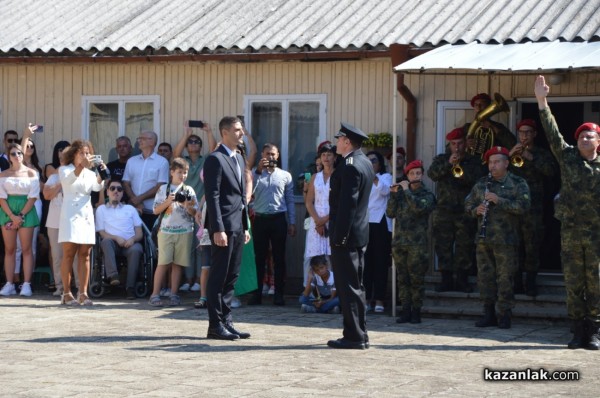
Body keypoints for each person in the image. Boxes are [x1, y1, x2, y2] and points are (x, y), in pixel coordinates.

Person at [535, 75, 600, 350]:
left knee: (596, 283)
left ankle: (595, 331)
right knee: (573, 282)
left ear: (598, 141)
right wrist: (541, 100)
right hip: (572, 233)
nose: (585, 138)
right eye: (582, 135)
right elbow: (552, 133)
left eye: (590, 135)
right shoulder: (568, 156)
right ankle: (576, 330)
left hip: (597, 234)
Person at [465, 146, 530, 329]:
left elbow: (524, 206)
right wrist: (475, 210)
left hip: (506, 240)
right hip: (484, 241)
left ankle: (505, 315)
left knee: (505, 278)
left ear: (506, 163)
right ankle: (488, 313)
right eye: (491, 162)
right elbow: (467, 203)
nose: (493, 166)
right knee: (485, 278)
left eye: (497, 162)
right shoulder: (481, 184)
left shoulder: (518, 183)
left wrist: (499, 200)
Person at [327, 122, 374, 350]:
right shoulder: (363, 162)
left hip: (347, 236)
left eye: (339, 139)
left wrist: (340, 237)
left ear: (347, 141)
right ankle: (358, 332)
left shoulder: (350, 166)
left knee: (348, 287)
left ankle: (354, 335)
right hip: (358, 234)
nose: (336, 143)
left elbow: (348, 206)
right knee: (356, 286)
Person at [204, 116, 251, 340]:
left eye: (241, 129)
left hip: (237, 226)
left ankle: (226, 320)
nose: (241, 133)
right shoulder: (215, 158)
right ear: (224, 133)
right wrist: (217, 229)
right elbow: (212, 196)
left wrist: (245, 226)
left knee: (232, 276)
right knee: (218, 276)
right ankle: (215, 325)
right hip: (223, 226)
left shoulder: (238, 158)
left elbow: (241, 197)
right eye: (237, 130)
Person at [427, 127, 485, 292]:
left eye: (460, 143)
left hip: (465, 211)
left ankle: (462, 280)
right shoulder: (441, 159)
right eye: (453, 144)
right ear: (449, 145)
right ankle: (446, 280)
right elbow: (432, 174)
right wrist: (448, 164)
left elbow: (476, 180)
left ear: (465, 143)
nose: (457, 147)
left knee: (464, 246)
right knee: (443, 246)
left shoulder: (474, 161)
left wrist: (461, 169)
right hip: (444, 210)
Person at [508, 119, 558, 296]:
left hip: (533, 208)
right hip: (513, 208)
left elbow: (551, 171)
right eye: (522, 132)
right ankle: (516, 283)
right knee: (515, 245)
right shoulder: (512, 153)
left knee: (532, 245)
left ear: (534, 134)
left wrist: (531, 157)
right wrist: (508, 157)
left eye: (528, 132)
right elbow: (499, 175)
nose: (525, 136)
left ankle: (530, 282)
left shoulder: (542, 154)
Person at [58, 140, 107, 305]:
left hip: (86, 215)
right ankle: (66, 293)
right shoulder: (64, 169)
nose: (85, 156)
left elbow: (96, 188)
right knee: (69, 253)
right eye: (82, 153)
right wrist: (81, 167)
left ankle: (83, 293)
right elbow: (68, 182)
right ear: (73, 154)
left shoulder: (90, 173)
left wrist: (102, 174)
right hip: (70, 214)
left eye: (87, 153)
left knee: (85, 255)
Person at [387, 160, 436, 324]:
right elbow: (390, 213)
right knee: (403, 278)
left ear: (422, 175)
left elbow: (418, 208)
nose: (416, 176)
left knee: (416, 279)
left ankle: (416, 311)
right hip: (400, 243)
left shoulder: (427, 195)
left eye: (418, 173)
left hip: (417, 244)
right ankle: (405, 310)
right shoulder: (401, 194)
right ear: (407, 176)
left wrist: (406, 190)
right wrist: (394, 195)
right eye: (412, 173)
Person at [248, 143, 296, 306]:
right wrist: (258, 171)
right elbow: (249, 194)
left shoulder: (285, 175)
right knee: (259, 259)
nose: (270, 157)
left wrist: (292, 222)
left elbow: (289, 200)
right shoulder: (254, 174)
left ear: (278, 156)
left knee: (279, 258)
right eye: (268, 154)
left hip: (278, 219)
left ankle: (278, 294)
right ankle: (257, 294)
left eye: (274, 154)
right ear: (262, 154)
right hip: (260, 219)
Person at [172, 121, 217, 293]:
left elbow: (213, 151)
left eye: (196, 142)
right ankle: (188, 279)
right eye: (190, 142)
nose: (192, 144)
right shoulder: (182, 162)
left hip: (202, 208)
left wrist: (208, 131)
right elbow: (176, 155)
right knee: (187, 246)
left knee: (200, 245)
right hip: (183, 207)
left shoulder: (205, 160)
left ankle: (199, 279)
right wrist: (186, 134)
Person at [148, 157, 198, 307]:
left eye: (185, 172)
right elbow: (156, 211)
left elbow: (195, 213)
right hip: (166, 231)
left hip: (185, 231)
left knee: (178, 264)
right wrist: (168, 201)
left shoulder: (189, 190)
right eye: (179, 172)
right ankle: (155, 294)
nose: (182, 175)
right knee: (163, 263)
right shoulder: (163, 189)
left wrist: (186, 205)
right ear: (171, 172)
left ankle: (174, 294)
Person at [0, 138, 40, 297]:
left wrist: (20, 215)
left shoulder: (32, 173)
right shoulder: (3, 174)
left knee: (26, 249)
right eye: (13, 153)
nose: (16, 155)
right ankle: (9, 283)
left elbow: (33, 196)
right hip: (7, 210)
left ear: (23, 155)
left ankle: (26, 284)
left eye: (19, 153)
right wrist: (11, 216)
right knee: (9, 249)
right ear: (9, 156)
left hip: (26, 210)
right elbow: (1, 197)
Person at [95, 180, 144, 300]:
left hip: (130, 244)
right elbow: (101, 232)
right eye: (112, 188)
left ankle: (130, 288)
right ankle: (113, 276)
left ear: (122, 193)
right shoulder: (101, 209)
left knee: (137, 249)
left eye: (119, 189)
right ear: (107, 192)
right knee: (105, 242)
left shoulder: (130, 209)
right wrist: (116, 238)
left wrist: (132, 240)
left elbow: (139, 233)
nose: (116, 191)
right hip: (112, 243)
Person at [43, 145, 74, 297]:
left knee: (73, 255)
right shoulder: (53, 177)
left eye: (66, 159)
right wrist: (61, 182)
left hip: (72, 221)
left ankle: (78, 286)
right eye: (61, 159)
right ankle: (60, 286)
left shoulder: (77, 175)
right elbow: (47, 195)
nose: (63, 161)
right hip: (54, 221)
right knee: (57, 255)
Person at [363, 150, 392, 313]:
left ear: (379, 164)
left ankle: (380, 298)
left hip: (380, 222)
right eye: (367, 161)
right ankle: (366, 298)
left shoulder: (385, 177)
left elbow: (385, 191)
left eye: (373, 161)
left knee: (380, 262)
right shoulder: (361, 178)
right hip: (365, 221)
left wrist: (372, 175)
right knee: (366, 263)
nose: (371, 164)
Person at [122, 131, 170, 230]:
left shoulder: (162, 162)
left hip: (152, 211)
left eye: (142, 138)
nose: (139, 141)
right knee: (133, 239)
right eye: (139, 138)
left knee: (151, 242)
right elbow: (126, 183)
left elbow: (160, 186)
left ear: (152, 142)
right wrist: (135, 200)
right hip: (133, 209)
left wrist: (139, 199)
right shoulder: (131, 161)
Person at [303, 143, 335, 285]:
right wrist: (318, 221)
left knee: (330, 257)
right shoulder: (315, 177)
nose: (326, 157)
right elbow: (309, 202)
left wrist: (324, 221)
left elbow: (340, 204)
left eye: (329, 154)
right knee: (312, 256)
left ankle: (332, 292)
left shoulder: (339, 175)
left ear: (335, 157)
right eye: (323, 155)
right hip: (316, 220)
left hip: (332, 220)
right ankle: (309, 292)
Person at [466, 93, 516, 160]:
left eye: (482, 104)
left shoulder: (498, 126)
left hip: (494, 164)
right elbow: (452, 146)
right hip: (472, 165)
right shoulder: (467, 127)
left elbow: (512, 144)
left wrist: (493, 127)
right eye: (476, 105)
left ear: (488, 107)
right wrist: (465, 144)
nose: (478, 107)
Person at [103, 136, 133, 204]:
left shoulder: (135, 166)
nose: (122, 149)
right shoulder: (110, 166)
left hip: (130, 203)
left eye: (125, 146)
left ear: (130, 148)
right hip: (112, 203)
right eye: (119, 147)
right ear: (116, 150)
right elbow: (104, 186)